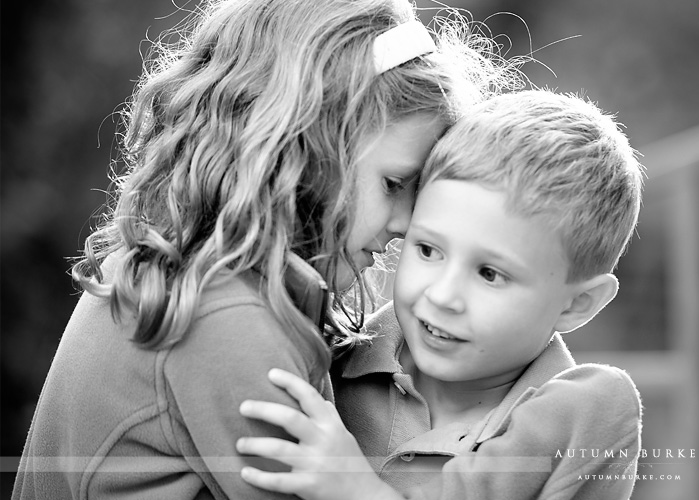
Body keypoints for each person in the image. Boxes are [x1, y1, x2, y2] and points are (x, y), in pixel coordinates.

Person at [12, 0, 513, 498]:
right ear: (302, 148)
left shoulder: (179, 276)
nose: (406, 225)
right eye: (393, 184)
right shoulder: (229, 321)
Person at [234, 89, 645, 500]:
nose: (443, 295)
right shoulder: (329, 359)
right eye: (428, 250)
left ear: (576, 304)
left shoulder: (587, 414)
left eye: (489, 274)